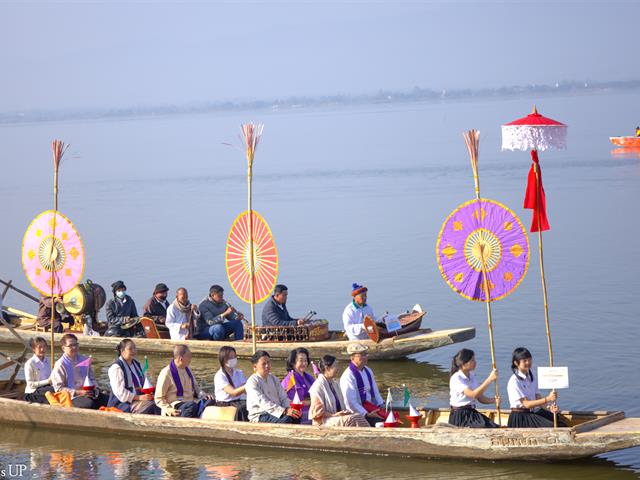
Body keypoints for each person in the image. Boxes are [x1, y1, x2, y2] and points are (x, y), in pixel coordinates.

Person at [507, 347, 567, 428]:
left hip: (531, 412)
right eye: (524, 361)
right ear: (516, 363)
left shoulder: (531, 377)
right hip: (520, 417)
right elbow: (527, 404)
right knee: (551, 426)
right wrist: (548, 398)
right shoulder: (514, 381)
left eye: (529, 360)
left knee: (557, 419)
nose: (528, 362)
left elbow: (538, 399)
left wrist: (550, 408)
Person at [50, 333, 109, 409]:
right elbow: (59, 389)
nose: (74, 347)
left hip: (88, 392)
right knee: (90, 404)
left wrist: (95, 388)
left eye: (76, 344)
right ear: (63, 348)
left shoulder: (84, 359)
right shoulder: (60, 364)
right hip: (73, 396)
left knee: (109, 400)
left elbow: (92, 378)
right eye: (71, 345)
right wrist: (79, 392)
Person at [308, 355, 369, 427]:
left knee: (358, 416)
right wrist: (334, 415)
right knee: (352, 419)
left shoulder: (335, 384)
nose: (338, 369)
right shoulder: (317, 387)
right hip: (323, 422)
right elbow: (317, 414)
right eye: (335, 366)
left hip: (336, 418)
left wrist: (343, 413)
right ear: (327, 368)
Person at [154, 344, 214, 417]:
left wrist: (204, 395)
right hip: (176, 406)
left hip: (192, 402)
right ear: (181, 359)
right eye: (188, 357)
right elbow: (158, 398)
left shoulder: (187, 369)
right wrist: (169, 409)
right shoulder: (166, 373)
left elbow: (196, 389)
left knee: (211, 400)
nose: (190, 359)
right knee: (191, 406)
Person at [246, 350, 301, 423]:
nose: (267, 366)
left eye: (268, 362)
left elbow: (283, 397)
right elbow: (263, 402)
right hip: (261, 415)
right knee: (286, 420)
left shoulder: (273, 378)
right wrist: (284, 411)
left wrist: (288, 408)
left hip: (278, 411)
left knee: (296, 416)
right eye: (264, 364)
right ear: (255, 366)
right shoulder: (252, 381)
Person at [448, 348, 499, 428]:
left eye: (474, 359)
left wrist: (493, 400)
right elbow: (473, 395)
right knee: (484, 428)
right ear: (463, 364)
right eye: (472, 360)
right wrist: (489, 379)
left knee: (494, 426)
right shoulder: (456, 378)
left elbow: (480, 397)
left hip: (471, 412)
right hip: (460, 415)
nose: (475, 362)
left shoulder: (472, 376)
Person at [107, 339, 159, 414]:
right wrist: (138, 397)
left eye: (134, 348)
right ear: (122, 351)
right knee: (152, 406)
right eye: (130, 349)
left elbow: (144, 384)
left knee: (159, 401)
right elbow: (120, 393)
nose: (134, 351)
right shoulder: (116, 368)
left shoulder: (137, 364)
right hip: (122, 403)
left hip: (140, 398)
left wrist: (149, 392)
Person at [339, 343, 386, 426]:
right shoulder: (348, 376)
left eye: (366, 354)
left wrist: (381, 405)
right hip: (358, 413)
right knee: (381, 423)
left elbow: (375, 392)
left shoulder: (368, 371)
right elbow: (351, 402)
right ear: (352, 357)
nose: (366, 357)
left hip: (371, 408)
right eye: (362, 355)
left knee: (390, 418)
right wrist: (366, 413)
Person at [281, 347, 315, 424]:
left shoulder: (308, 377)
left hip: (312, 409)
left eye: (306, 360)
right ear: (293, 362)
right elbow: (294, 403)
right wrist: (311, 402)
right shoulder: (290, 380)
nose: (304, 363)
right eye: (301, 360)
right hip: (299, 414)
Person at [214, 345, 248, 421]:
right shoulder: (220, 375)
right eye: (230, 358)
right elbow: (233, 392)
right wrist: (249, 385)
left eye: (234, 357)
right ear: (224, 360)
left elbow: (245, 390)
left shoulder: (239, 372)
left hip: (238, 401)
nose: (233, 359)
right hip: (224, 403)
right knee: (241, 409)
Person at [23, 337, 54, 403]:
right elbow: (30, 384)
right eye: (39, 347)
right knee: (53, 390)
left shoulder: (47, 360)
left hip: (45, 389)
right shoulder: (30, 363)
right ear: (34, 349)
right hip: (32, 393)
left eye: (44, 347)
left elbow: (50, 378)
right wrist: (48, 381)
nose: (42, 349)